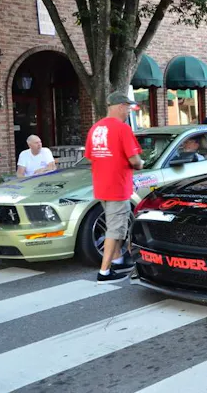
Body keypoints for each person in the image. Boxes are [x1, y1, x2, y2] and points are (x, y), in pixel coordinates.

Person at [85, 92, 143, 284]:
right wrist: (140, 164)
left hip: (101, 186)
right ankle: (104, 272)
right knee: (115, 229)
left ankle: (118, 260)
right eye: (127, 108)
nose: (128, 111)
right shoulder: (122, 128)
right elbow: (134, 160)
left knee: (114, 225)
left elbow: (90, 157)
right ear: (120, 106)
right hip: (118, 186)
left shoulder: (95, 128)